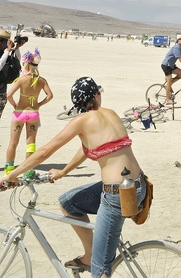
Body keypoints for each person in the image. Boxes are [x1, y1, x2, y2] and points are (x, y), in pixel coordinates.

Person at [0, 76, 146, 277]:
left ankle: (96, 263)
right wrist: (63, 171)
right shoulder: (110, 114)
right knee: (69, 202)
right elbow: (88, 148)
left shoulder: (82, 120)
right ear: (96, 96)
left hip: (116, 195)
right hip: (137, 185)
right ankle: (89, 254)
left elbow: (45, 151)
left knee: (100, 269)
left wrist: (12, 174)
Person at [4, 49, 52, 176]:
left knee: (13, 142)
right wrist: (39, 104)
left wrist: (15, 105)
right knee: (30, 143)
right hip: (33, 114)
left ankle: (9, 169)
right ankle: (28, 171)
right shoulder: (41, 80)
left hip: (19, 113)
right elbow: (50, 95)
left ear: (27, 64)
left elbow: (9, 95)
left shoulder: (22, 80)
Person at [161, 35, 181, 103]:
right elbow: (179, 58)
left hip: (171, 66)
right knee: (169, 81)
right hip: (167, 65)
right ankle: (167, 99)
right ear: (178, 40)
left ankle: (169, 85)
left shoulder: (180, 48)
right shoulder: (176, 47)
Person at [0, 30, 21, 124]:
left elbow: (16, 62)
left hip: (1, 93)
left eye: (7, 43)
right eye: (5, 42)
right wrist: (7, 51)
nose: (6, 45)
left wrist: (16, 48)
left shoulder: (5, 54)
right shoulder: (5, 54)